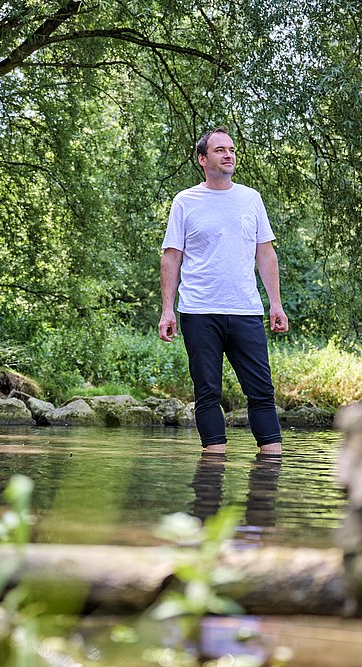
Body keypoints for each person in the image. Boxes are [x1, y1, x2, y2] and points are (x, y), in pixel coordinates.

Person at [158, 126, 289, 455]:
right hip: (199, 311)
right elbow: (172, 256)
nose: (228, 154)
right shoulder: (185, 201)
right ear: (203, 159)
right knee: (207, 394)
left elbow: (265, 253)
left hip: (245, 309)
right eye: (219, 150)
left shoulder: (251, 198)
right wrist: (167, 310)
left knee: (261, 392)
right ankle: (211, 475)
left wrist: (276, 304)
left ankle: (271, 471)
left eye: (230, 149)